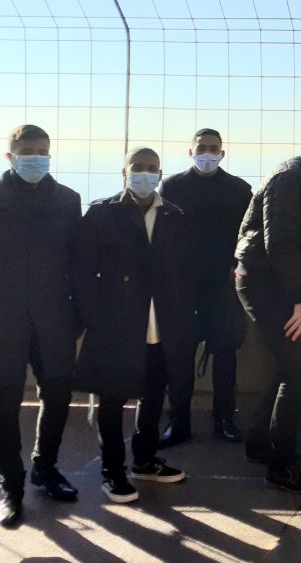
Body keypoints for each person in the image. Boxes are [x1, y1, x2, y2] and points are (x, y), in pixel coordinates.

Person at [73, 147, 193, 503]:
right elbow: (81, 272)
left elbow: (185, 274)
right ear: (124, 172)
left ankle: (144, 460)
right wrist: (95, 315)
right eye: (137, 167)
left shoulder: (174, 216)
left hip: (162, 325)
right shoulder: (102, 214)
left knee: (154, 394)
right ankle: (113, 471)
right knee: (112, 399)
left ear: (160, 173)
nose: (144, 173)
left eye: (151, 168)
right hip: (116, 324)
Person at [234, 116, 301, 494]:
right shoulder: (292, 176)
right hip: (266, 282)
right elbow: (278, 243)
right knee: (300, 366)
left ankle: (259, 444)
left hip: (284, 281)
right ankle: (283, 465)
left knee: (290, 364)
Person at [0, 125, 81, 527]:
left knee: (58, 396)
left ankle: (44, 467)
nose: (36, 157)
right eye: (27, 151)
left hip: (56, 318)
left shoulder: (69, 200)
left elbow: (77, 262)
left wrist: (80, 315)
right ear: (10, 156)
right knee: (3, 404)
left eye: (43, 151)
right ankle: (9, 485)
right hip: (4, 320)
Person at [159, 128, 253, 447]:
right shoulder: (172, 186)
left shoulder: (240, 190)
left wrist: (237, 267)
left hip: (224, 285)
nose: (208, 153)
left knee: (226, 353)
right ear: (190, 151)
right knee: (180, 355)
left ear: (223, 153)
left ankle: (225, 419)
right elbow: (164, 235)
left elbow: (249, 236)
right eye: (202, 147)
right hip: (183, 287)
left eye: (214, 148)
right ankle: (179, 421)